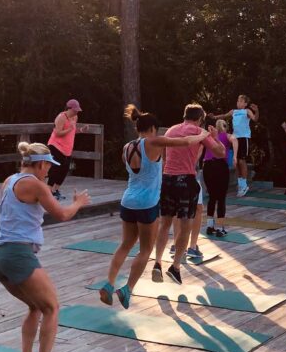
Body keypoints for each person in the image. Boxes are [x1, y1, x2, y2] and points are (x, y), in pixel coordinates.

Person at [0, 142, 90, 352]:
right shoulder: (35, 184)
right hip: (17, 254)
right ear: (41, 164)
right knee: (52, 308)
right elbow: (62, 214)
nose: (49, 172)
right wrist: (78, 202)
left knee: (35, 307)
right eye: (48, 167)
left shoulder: (9, 181)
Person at [99, 106, 209, 309]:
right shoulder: (153, 142)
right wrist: (202, 134)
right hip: (146, 203)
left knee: (125, 244)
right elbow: (183, 142)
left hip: (127, 201)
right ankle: (127, 289)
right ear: (152, 129)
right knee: (145, 249)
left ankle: (109, 282)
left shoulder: (127, 147)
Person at [152, 104, 224, 285]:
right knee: (186, 225)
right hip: (186, 180)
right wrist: (216, 137)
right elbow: (219, 152)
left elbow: (164, 156)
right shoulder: (199, 131)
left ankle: (157, 262)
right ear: (200, 118)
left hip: (167, 179)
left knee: (164, 223)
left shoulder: (171, 130)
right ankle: (175, 267)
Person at [215, 95, 258, 197]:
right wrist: (215, 117)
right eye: (238, 100)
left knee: (242, 161)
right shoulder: (233, 111)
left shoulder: (247, 111)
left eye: (241, 101)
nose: (238, 102)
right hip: (235, 138)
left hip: (244, 138)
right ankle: (240, 184)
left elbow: (255, 119)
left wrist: (256, 111)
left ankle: (244, 185)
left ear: (245, 104)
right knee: (236, 162)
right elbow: (224, 116)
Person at [203, 117, 234, 238]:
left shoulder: (206, 137)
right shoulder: (226, 136)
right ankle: (220, 228)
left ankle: (210, 226)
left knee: (212, 197)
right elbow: (235, 140)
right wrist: (235, 155)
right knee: (221, 198)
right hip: (220, 166)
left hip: (208, 166)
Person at [46, 98, 83, 200]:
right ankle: (48, 192)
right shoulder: (61, 117)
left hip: (67, 148)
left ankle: (55, 190)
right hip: (56, 145)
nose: (76, 112)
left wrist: (80, 130)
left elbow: (73, 131)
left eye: (77, 110)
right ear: (69, 108)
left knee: (65, 169)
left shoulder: (75, 117)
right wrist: (69, 129)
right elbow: (57, 133)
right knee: (56, 168)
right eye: (75, 110)